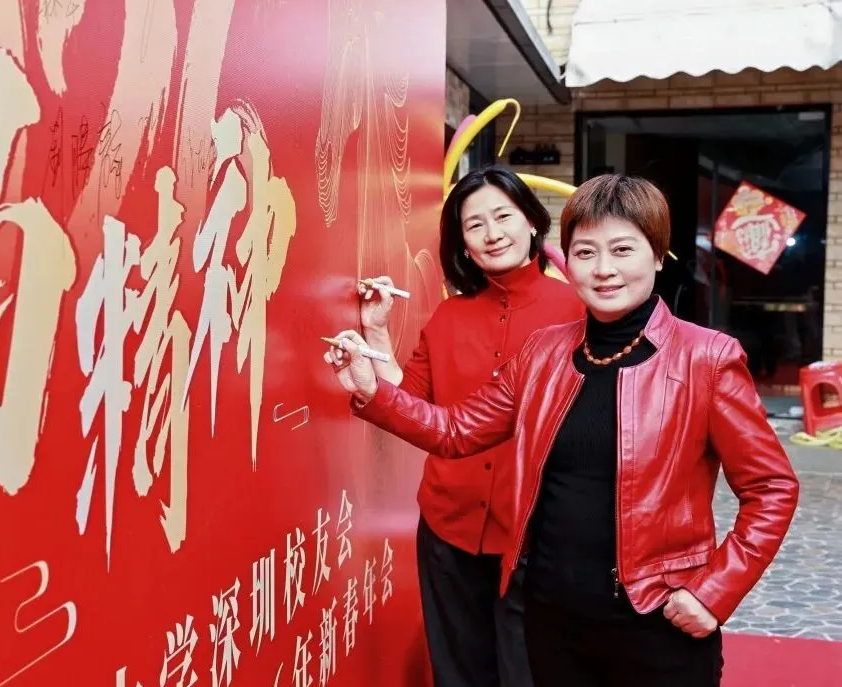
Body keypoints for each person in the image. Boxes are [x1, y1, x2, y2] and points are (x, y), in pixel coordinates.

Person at [325, 173, 799, 687]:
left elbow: (771, 487)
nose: (604, 269)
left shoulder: (707, 358)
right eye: (586, 253)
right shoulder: (543, 353)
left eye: (623, 249)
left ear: (658, 256)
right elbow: (455, 431)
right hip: (551, 616)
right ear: (567, 260)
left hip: (655, 617)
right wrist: (371, 389)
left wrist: (714, 590)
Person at [357, 165, 583, 687]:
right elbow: (410, 402)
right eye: (474, 224)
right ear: (461, 242)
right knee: (457, 671)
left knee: (530, 672)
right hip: (448, 525)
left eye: (503, 216)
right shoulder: (448, 317)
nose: (492, 233)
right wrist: (375, 329)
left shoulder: (578, 310)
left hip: (540, 533)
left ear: (532, 222)